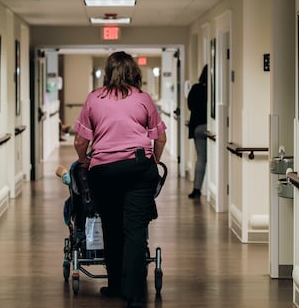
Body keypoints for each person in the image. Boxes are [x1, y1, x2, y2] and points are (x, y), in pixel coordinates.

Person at [73, 51, 167, 308]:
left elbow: (81, 141)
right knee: (135, 230)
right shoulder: (143, 99)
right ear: (134, 72)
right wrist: (154, 161)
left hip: (104, 172)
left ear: (108, 72)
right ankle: (134, 295)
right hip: (138, 168)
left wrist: (85, 160)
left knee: (112, 228)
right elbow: (159, 138)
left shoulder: (94, 98)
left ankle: (115, 284)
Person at [186, 65, 208, 199]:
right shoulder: (214, 90)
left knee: (201, 159)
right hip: (211, 128)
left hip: (198, 127)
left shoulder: (195, 88)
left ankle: (197, 189)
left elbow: (190, 106)